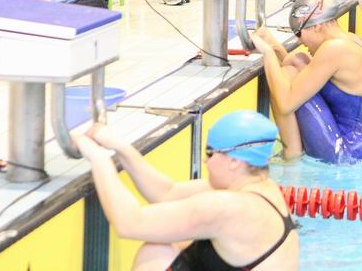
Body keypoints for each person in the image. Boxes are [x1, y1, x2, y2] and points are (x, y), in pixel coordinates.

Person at [73, 111, 299, 271]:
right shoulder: (262, 190)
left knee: (156, 255)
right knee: (162, 248)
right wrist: (119, 147)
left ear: (234, 161)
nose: (206, 161)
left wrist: (99, 159)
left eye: (210, 153)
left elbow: (129, 224)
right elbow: (167, 192)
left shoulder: (228, 208)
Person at [250, 0, 362, 164]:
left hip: (345, 154)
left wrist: (268, 53)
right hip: (359, 150)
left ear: (316, 27)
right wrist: (275, 46)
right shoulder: (351, 40)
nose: (299, 41)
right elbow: (306, 76)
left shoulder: (334, 49)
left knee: (286, 74)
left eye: (299, 33)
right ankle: (293, 153)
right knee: (298, 60)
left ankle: (291, 155)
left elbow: (285, 103)